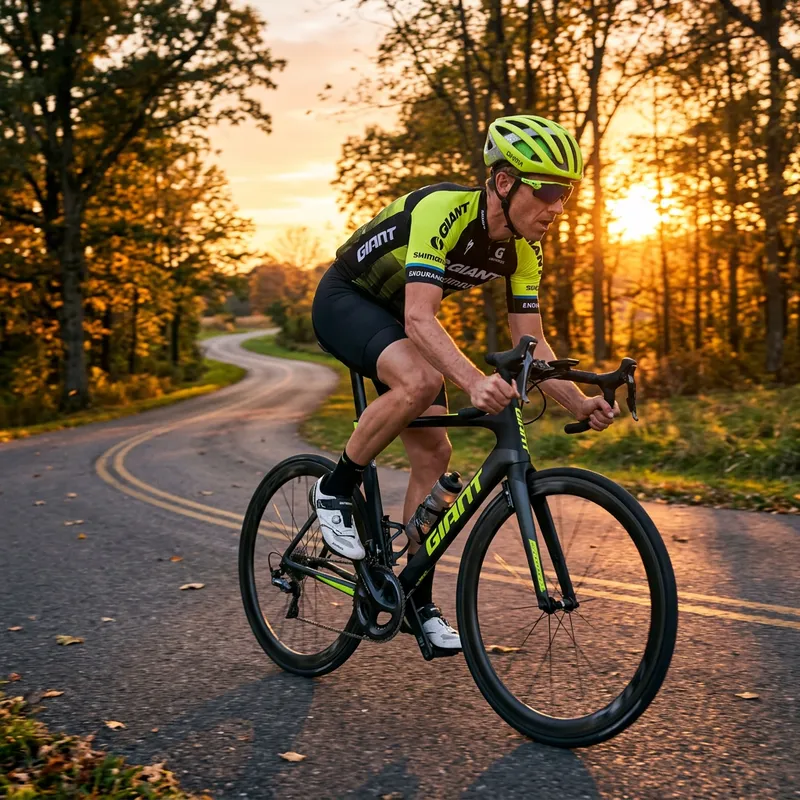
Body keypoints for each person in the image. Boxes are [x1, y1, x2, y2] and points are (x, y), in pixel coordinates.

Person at [310, 114, 618, 650]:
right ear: (504, 181)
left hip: (398, 320)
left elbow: (534, 346)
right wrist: (475, 382)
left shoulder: (524, 248)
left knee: (435, 455)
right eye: (546, 191)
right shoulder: (441, 211)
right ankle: (334, 488)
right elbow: (419, 320)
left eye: (565, 194)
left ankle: (413, 598)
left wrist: (577, 402)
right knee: (421, 381)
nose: (557, 208)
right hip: (348, 300)